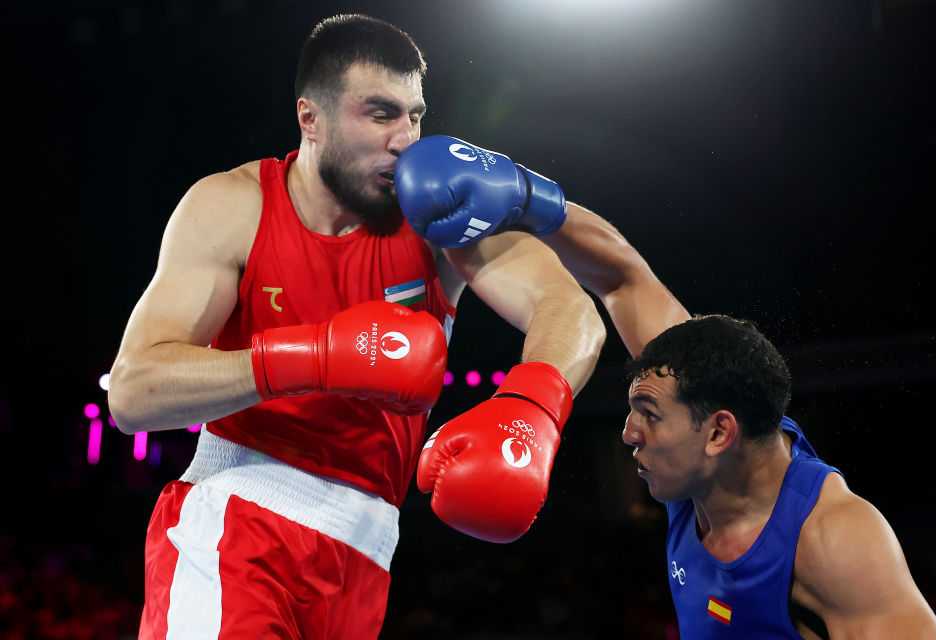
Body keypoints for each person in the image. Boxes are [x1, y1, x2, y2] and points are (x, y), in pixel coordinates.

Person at [108, 14, 606, 639]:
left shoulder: (438, 215)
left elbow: (571, 311)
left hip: (365, 556)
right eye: (380, 114)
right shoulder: (234, 206)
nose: (406, 140)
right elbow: (132, 393)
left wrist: (531, 409)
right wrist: (313, 357)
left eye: (415, 116)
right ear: (310, 118)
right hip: (236, 522)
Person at [401, 139, 936, 637]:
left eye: (648, 414)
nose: (628, 433)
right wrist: (525, 194)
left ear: (718, 434)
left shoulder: (836, 542)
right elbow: (622, 277)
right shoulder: (695, 391)